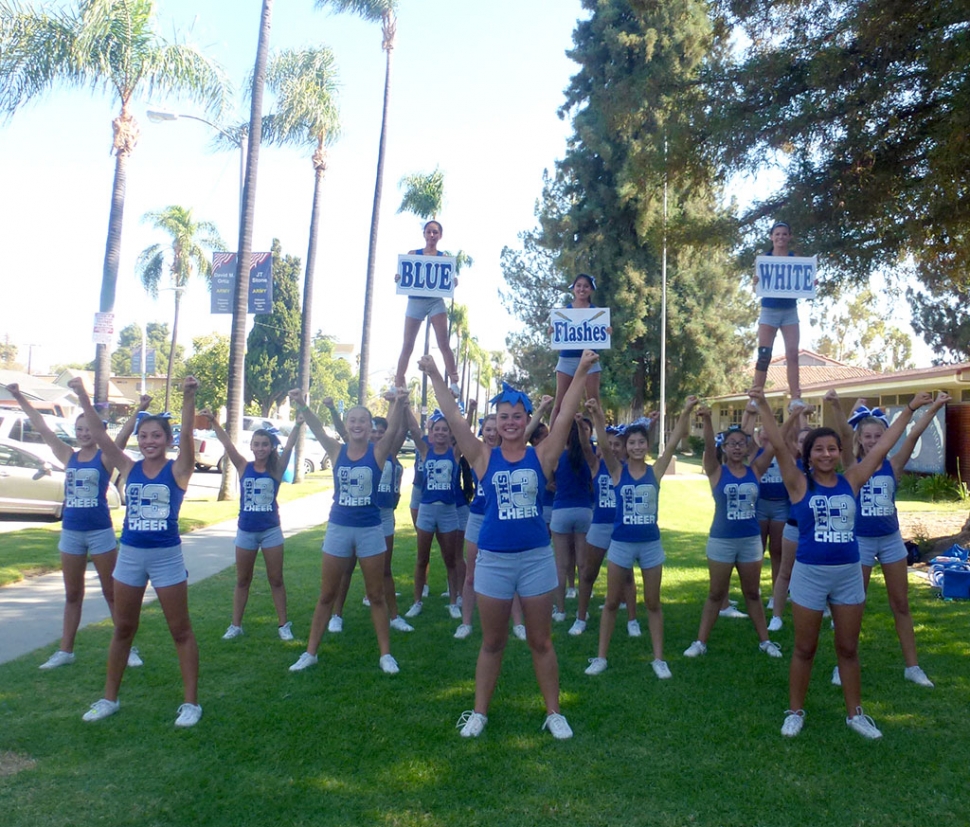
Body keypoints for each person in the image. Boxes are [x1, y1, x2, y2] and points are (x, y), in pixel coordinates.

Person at [421, 352, 599, 740]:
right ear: (495, 423)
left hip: (536, 559)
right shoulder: (484, 457)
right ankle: (479, 712)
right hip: (494, 562)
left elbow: (566, 415)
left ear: (527, 420)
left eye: (517, 416)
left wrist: (582, 371)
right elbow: (453, 417)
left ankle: (554, 712)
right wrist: (435, 373)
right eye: (503, 417)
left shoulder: (543, 454)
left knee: (540, 640)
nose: (511, 422)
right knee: (492, 641)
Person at [752, 386, 934, 739]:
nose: (826, 453)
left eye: (831, 448)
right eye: (818, 449)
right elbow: (776, 442)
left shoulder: (852, 480)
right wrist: (762, 407)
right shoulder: (798, 485)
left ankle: (856, 715)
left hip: (849, 574)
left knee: (848, 649)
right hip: (809, 575)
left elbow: (885, 445)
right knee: (805, 648)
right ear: (808, 455)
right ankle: (795, 711)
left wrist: (910, 408)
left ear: (840, 452)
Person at [72, 376, 203, 727]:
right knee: (123, 628)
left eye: (156, 435)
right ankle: (108, 699)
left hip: (166, 557)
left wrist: (189, 398)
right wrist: (83, 394)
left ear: (167, 440)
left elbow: (189, 436)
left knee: (180, 630)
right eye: (143, 436)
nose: (149, 441)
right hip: (129, 555)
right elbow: (100, 437)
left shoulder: (178, 471)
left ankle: (191, 703)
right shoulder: (129, 468)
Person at [6, 384, 148, 670]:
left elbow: (121, 437)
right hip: (71, 533)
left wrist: (140, 409)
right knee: (73, 594)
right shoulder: (67, 455)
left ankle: (128, 647)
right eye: (80, 429)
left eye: (89, 429)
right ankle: (65, 650)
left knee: (112, 592)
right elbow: (42, 426)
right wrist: (19, 396)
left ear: (97, 431)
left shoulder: (105, 457)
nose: (84, 434)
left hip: (100, 533)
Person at [831, 392, 950, 687]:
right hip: (859, 541)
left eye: (878, 436)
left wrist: (933, 406)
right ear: (861, 439)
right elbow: (844, 435)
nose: (872, 441)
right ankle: (841, 665)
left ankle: (912, 666)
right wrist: (836, 406)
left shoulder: (893, 465)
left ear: (885, 437)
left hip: (891, 540)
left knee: (901, 604)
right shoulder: (852, 465)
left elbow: (914, 433)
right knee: (852, 606)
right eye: (867, 436)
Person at [288, 389, 407, 675]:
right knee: (326, 594)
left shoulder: (378, 452)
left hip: (369, 530)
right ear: (347, 424)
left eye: (362, 421)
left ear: (370, 428)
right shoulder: (336, 450)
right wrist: (303, 404)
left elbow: (391, 428)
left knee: (376, 595)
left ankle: (385, 655)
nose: (357, 425)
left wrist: (400, 403)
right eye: (352, 420)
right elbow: (316, 426)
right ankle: (310, 652)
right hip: (339, 528)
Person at [583, 396, 698, 680]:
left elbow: (671, 444)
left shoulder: (655, 471)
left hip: (650, 545)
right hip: (621, 543)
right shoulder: (616, 471)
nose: (636, 447)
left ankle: (659, 659)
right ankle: (600, 657)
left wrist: (684, 411)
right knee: (611, 602)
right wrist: (597, 413)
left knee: (653, 602)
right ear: (626, 447)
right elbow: (602, 441)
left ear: (647, 445)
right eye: (631, 443)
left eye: (640, 442)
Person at [682, 414, 782, 660]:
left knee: (752, 593)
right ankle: (700, 642)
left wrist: (790, 417)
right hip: (722, 540)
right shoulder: (716, 471)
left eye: (741, 443)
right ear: (724, 448)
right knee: (716, 593)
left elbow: (775, 444)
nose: (737, 447)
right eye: (732, 443)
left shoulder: (756, 470)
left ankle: (765, 641)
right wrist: (707, 421)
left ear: (748, 447)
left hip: (750, 540)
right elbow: (707, 446)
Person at [201, 412, 302, 642]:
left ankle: (283, 624)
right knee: (242, 580)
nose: (260, 448)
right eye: (256, 444)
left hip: (270, 531)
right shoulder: (243, 466)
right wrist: (214, 422)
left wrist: (297, 424)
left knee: (276, 579)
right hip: (246, 531)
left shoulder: (276, 470)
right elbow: (227, 444)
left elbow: (289, 447)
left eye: (264, 444)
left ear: (270, 447)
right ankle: (235, 625)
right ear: (252, 446)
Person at [330, 409, 414, 633]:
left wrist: (400, 403)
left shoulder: (390, 451)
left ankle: (394, 616)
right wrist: (331, 409)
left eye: (381, 432)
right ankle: (336, 614)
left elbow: (400, 427)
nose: (377, 435)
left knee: (385, 569)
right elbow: (343, 430)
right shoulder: (360, 451)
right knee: (346, 568)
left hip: (382, 517)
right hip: (356, 516)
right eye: (374, 431)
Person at [570, 424, 639, 637]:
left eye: (617, 445)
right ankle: (581, 617)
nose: (613, 448)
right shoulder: (596, 465)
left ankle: (632, 620)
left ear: (625, 448)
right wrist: (583, 429)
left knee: (627, 575)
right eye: (608, 444)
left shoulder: (629, 469)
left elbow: (645, 442)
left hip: (622, 528)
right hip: (599, 526)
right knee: (588, 573)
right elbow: (584, 445)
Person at [404, 408, 463, 619]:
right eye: (437, 429)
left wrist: (471, 411)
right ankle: (417, 601)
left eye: (444, 430)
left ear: (450, 433)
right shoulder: (425, 451)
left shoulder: (454, 453)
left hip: (448, 511)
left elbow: (463, 429)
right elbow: (412, 427)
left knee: (450, 559)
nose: (440, 433)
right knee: (422, 558)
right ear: (432, 431)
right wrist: (404, 404)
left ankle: (454, 601)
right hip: (427, 510)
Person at [393, 220, 461, 395]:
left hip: (435, 301)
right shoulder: (412, 254)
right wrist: (399, 278)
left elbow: (448, 280)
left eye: (435, 232)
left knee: (443, 343)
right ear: (424, 234)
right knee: (407, 344)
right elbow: (404, 275)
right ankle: (398, 382)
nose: (432, 235)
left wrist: (453, 282)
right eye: (429, 232)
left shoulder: (443, 258)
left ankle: (454, 382)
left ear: (440, 236)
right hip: (415, 301)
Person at [752, 222, 803, 409]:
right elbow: (756, 286)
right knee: (764, 354)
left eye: (784, 234)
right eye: (777, 234)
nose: (780, 237)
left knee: (792, 354)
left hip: (790, 311)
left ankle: (795, 396)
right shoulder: (764, 259)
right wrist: (755, 282)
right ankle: (756, 393)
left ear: (789, 236)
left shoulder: (795, 258)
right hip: (769, 311)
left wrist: (811, 282)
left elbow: (803, 282)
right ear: (771, 237)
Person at [550, 416, 595, 622]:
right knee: (583, 564)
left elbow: (549, 481)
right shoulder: (589, 455)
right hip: (584, 510)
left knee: (561, 565)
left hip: (560, 511)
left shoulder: (557, 455)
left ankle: (559, 610)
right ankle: (581, 611)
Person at [551, 274, 603, 425]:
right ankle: (550, 441)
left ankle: (602, 441)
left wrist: (607, 331)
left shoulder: (597, 312)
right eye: (578, 285)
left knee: (594, 402)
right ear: (573, 288)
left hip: (590, 359)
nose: (582, 289)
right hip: (567, 359)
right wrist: (552, 330)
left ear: (591, 290)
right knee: (560, 403)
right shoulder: (563, 312)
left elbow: (602, 333)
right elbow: (557, 331)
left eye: (586, 286)